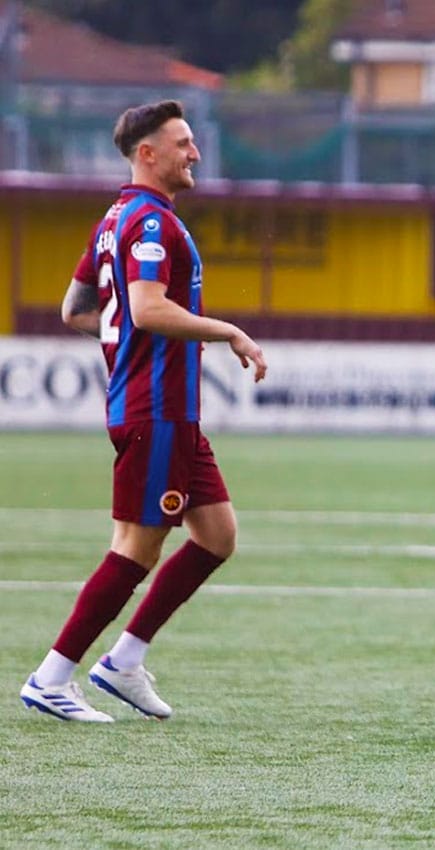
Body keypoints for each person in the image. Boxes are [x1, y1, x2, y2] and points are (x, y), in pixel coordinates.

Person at [20, 100, 268, 723]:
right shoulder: (151, 222)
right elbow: (148, 308)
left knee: (217, 536)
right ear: (148, 154)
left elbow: (75, 310)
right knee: (135, 549)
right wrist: (229, 331)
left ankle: (124, 661)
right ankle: (52, 677)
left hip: (171, 411)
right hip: (153, 408)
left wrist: (125, 339)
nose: (195, 154)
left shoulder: (114, 219)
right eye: (183, 144)